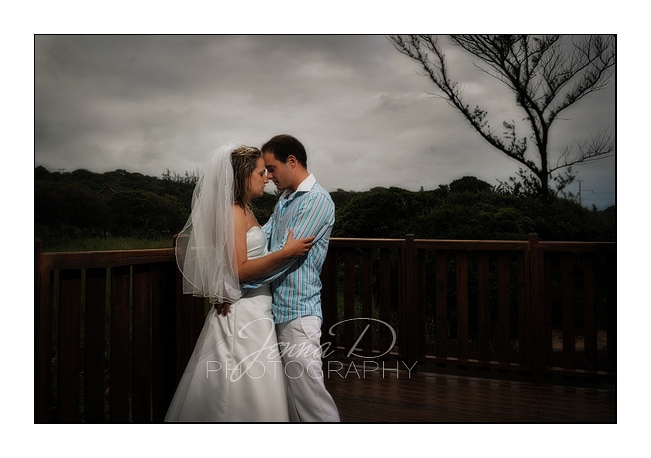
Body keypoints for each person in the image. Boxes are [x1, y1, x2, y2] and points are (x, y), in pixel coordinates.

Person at [165, 144, 314, 422]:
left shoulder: (246, 209)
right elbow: (239, 269)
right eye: (261, 172)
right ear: (244, 176)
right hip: (243, 313)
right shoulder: (234, 213)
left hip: (257, 307)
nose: (267, 178)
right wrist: (286, 253)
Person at [241, 134, 340, 422]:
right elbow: (267, 243)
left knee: (312, 403)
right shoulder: (285, 200)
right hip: (275, 310)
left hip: (298, 313)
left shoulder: (316, 200)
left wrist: (238, 286)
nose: (269, 176)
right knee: (290, 403)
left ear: (292, 161)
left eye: (272, 168)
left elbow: (286, 258)